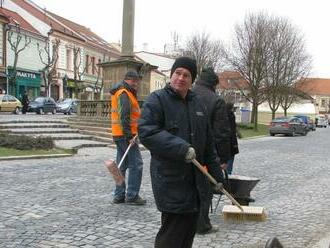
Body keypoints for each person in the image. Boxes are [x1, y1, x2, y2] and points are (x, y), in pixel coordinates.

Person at [138, 57, 224, 248]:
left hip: (195, 183)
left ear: (192, 80)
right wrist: (180, 147)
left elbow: (208, 145)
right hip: (171, 181)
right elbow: (147, 132)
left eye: (186, 75)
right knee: (171, 235)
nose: (181, 78)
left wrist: (217, 176)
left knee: (187, 234)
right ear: (171, 75)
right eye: (177, 73)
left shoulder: (198, 104)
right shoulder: (157, 99)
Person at [192, 67, 231, 235]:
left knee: (189, 187)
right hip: (207, 152)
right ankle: (202, 224)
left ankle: (189, 222)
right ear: (213, 84)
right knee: (205, 189)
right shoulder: (216, 101)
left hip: (186, 150)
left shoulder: (188, 93)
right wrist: (222, 159)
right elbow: (221, 133)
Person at [110, 70, 146, 205]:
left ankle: (119, 195)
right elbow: (124, 116)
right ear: (129, 80)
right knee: (137, 164)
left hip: (118, 134)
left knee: (122, 165)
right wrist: (129, 136)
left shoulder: (122, 92)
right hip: (126, 135)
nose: (137, 84)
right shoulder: (124, 93)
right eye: (135, 81)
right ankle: (132, 195)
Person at [226, 102, 239, 175]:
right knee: (230, 163)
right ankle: (228, 176)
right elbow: (233, 129)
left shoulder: (221, 114)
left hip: (223, 143)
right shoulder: (231, 115)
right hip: (231, 142)